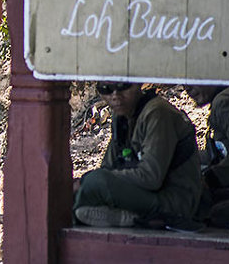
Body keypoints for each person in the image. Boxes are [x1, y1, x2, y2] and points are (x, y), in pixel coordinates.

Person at [74, 82, 203, 227]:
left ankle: (134, 218)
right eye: (107, 90)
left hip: (174, 201)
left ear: (137, 85)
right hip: (144, 193)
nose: (115, 96)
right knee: (74, 189)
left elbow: (151, 177)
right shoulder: (122, 117)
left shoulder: (157, 113)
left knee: (93, 182)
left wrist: (88, 182)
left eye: (123, 86)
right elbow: (108, 167)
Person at [185, 84, 229, 206]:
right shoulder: (220, 102)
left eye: (193, 79)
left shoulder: (223, 102)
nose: (187, 88)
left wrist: (211, 178)